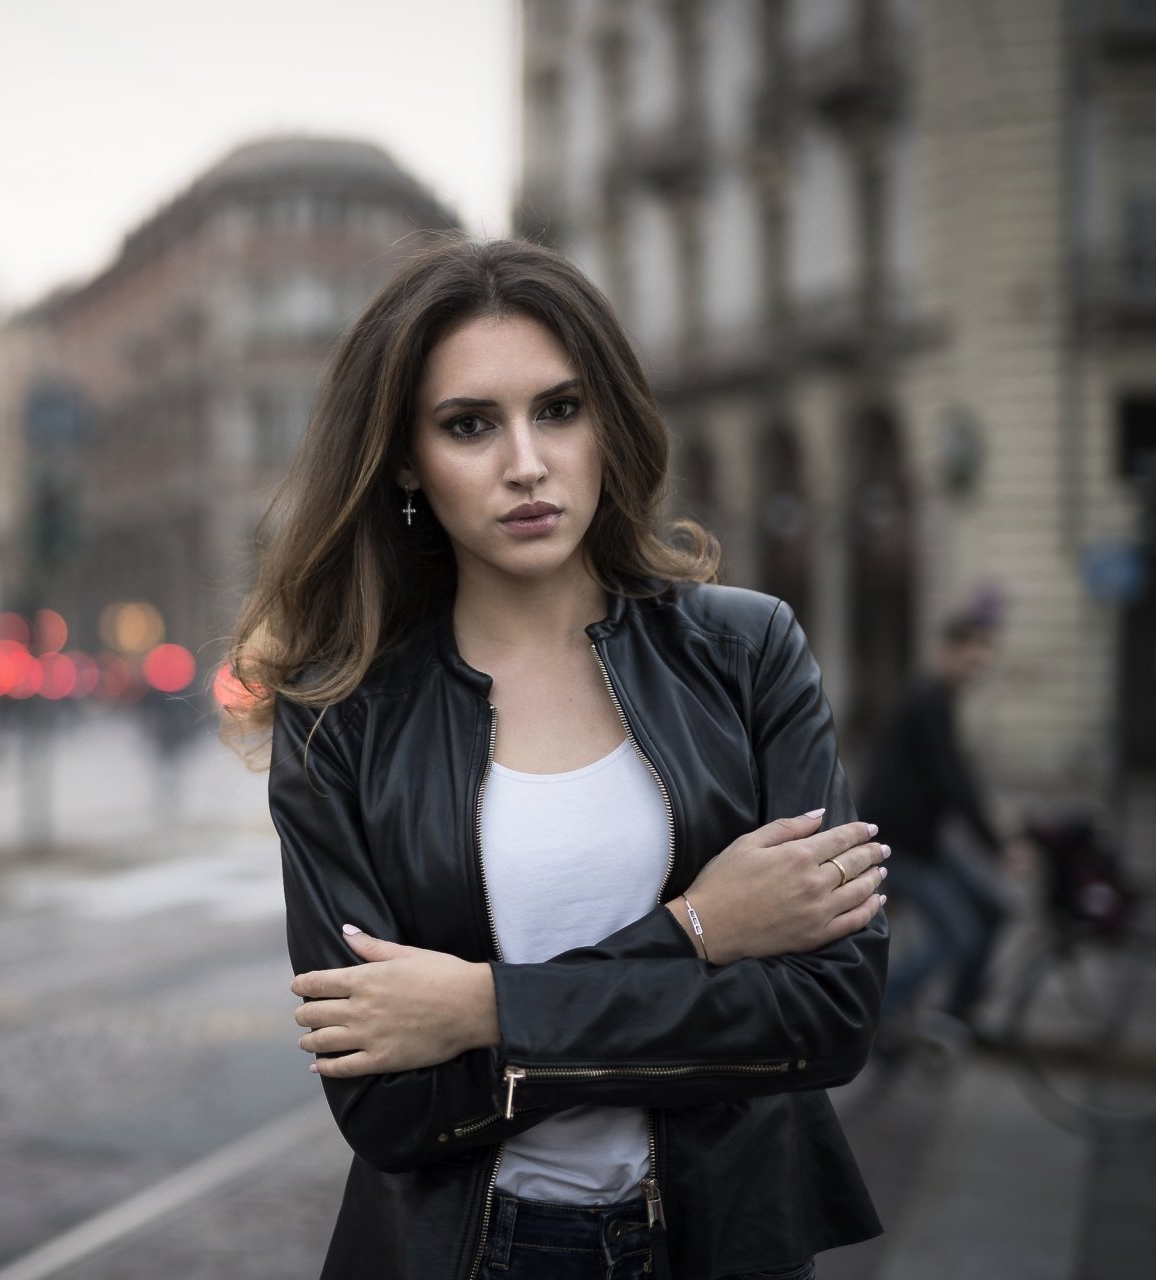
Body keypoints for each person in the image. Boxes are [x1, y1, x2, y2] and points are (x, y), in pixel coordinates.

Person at [224, 237, 888, 1280]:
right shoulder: (337, 718)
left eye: (560, 409)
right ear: (406, 458)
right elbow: (387, 1103)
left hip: (721, 1242)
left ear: (606, 422)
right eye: (469, 425)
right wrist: (698, 933)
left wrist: (481, 1006)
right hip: (472, 1254)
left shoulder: (747, 654)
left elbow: (829, 1014)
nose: (525, 461)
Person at [859, 610, 1010, 1033]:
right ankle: (881, 1013)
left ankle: (957, 1018)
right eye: (971, 659)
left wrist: (997, 829)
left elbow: (959, 776)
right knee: (957, 934)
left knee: (995, 910)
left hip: (925, 842)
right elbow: (950, 782)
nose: (976, 671)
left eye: (983, 663)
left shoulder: (939, 701)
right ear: (947, 652)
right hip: (896, 844)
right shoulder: (926, 701)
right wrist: (998, 846)